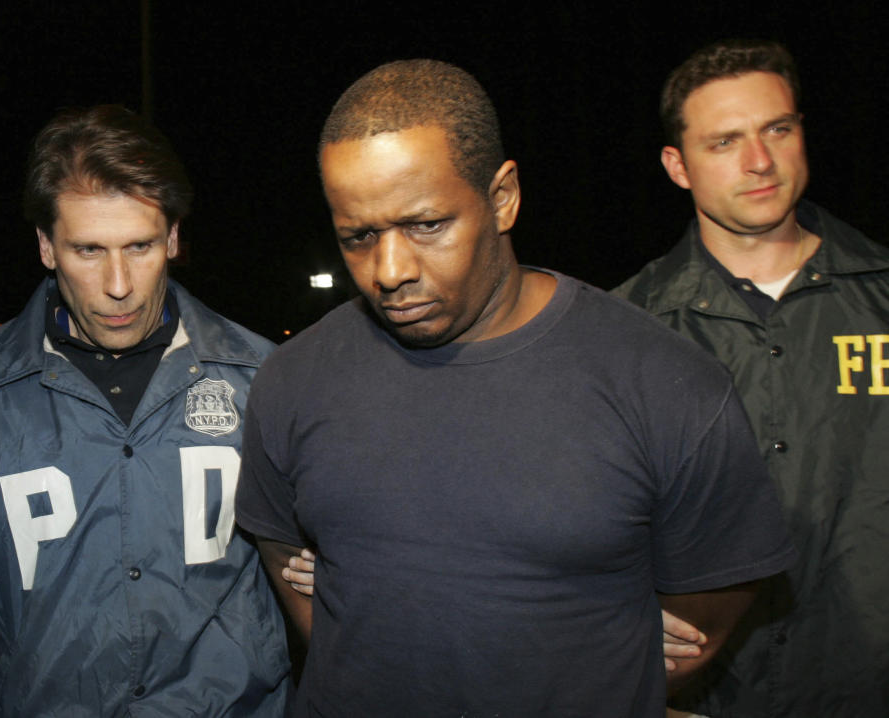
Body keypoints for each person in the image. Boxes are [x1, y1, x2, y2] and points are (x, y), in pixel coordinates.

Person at [236, 59, 797, 717]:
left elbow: (707, 610)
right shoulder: (293, 376)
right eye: (358, 237)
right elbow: (285, 557)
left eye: (425, 225)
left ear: (502, 198)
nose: (388, 271)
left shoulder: (663, 382)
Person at [0, 105, 291, 716]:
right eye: (89, 250)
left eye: (141, 246)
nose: (119, 283)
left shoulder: (264, 376)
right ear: (46, 247)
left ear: (174, 238)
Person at [615, 39, 889, 717]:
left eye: (777, 129)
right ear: (676, 166)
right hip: (697, 700)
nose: (758, 161)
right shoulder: (626, 331)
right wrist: (608, 618)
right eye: (724, 142)